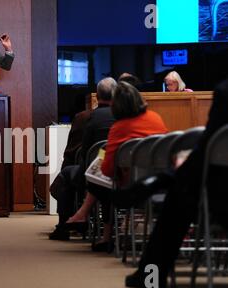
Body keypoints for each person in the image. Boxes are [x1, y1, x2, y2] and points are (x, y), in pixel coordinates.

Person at [125, 77, 228, 288]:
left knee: (180, 194)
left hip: (222, 197)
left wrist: (175, 173)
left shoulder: (225, 91)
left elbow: (208, 150)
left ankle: (150, 277)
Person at [65, 81, 168, 251]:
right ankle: (92, 223)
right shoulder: (155, 118)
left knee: (101, 180)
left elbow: (107, 170)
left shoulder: (119, 127)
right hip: (159, 184)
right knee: (104, 181)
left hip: (130, 189)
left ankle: (100, 231)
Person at [49, 77, 117, 241]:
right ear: (115, 95)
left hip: (92, 173)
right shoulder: (124, 117)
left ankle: (63, 227)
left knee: (66, 173)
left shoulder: (83, 117)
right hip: (120, 172)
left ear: (97, 95)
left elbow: (82, 151)